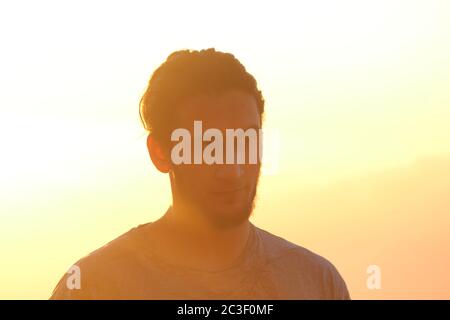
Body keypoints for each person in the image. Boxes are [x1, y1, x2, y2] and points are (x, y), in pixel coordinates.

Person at [50, 48, 350, 299]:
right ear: (160, 153)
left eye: (244, 140)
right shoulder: (95, 288)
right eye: (206, 144)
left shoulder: (316, 284)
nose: (231, 169)